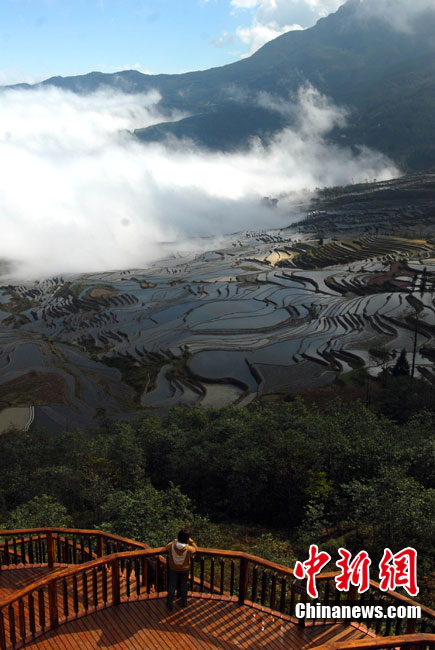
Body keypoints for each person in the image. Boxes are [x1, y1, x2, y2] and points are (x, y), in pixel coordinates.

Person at [166, 529, 197, 610]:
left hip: (173, 568)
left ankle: (169, 603)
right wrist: (191, 541)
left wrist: (175, 540)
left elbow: (167, 546)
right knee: (184, 586)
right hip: (184, 569)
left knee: (172, 586)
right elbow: (195, 549)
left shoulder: (172, 546)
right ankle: (183, 602)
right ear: (187, 538)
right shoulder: (188, 548)